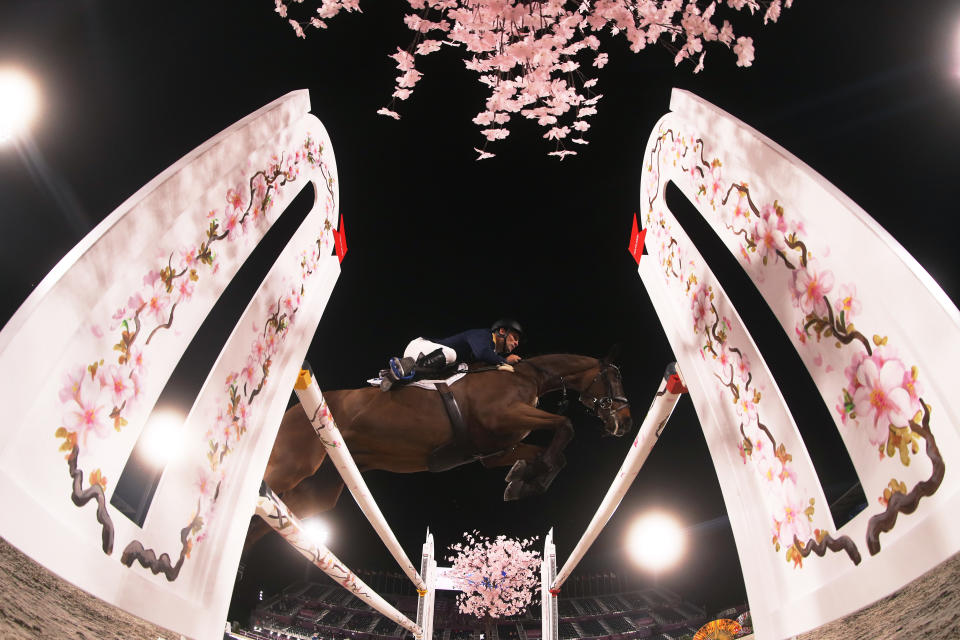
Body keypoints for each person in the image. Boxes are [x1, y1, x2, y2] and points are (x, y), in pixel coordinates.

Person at [380, 319, 524, 391]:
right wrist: (504, 361)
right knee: (451, 354)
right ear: (502, 332)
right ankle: (405, 369)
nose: (516, 343)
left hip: (428, 357)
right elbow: (481, 353)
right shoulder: (483, 335)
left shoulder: (490, 350)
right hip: (421, 347)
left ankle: (396, 375)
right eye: (515, 337)